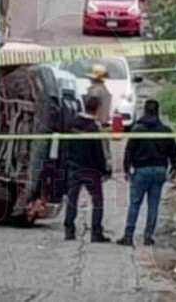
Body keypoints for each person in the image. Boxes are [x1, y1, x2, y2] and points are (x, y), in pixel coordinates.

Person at [117, 99, 176, 246]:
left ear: (144, 111)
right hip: (159, 170)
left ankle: (128, 235)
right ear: (157, 111)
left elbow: (129, 151)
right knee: (154, 204)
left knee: (135, 203)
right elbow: (173, 152)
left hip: (141, 170)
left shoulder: (137, 130)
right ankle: (148, 236)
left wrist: (126, 169)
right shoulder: (166, 130)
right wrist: (174, 167)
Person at [63, 96, 111, 243]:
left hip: (74, 167)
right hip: (91, 171)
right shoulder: (94, 128)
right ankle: (96, 233)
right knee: (97, 202)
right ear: (97, 108)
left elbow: (65, 146)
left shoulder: (72, 123)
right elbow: (99, 152)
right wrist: (104, 170)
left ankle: (69, 231)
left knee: (72, 200)